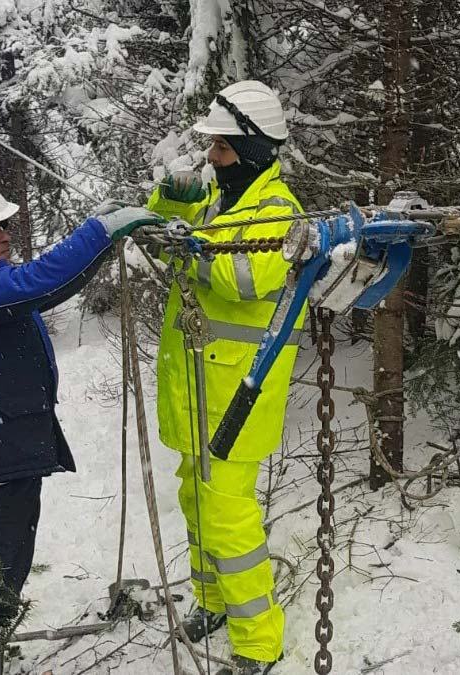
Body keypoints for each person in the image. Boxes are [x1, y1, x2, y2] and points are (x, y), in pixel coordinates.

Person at [0, 173, 160, 675]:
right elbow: (37, 283)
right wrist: (98, 232)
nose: (8, 235)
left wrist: (105, 239)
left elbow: (44, 284)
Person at [146, 80, 303, 675]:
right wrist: (170, 202)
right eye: (211, 148)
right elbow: (162, 236)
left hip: (237, 395)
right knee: (195, 497)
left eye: (223, 150)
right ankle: (211, 599)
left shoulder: (277, 211)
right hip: (198, 390)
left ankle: (259, 641)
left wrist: (186, 243)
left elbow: (241, 277)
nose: (212, 159)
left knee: (227, 516)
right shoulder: (222, 203)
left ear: (257, 150)